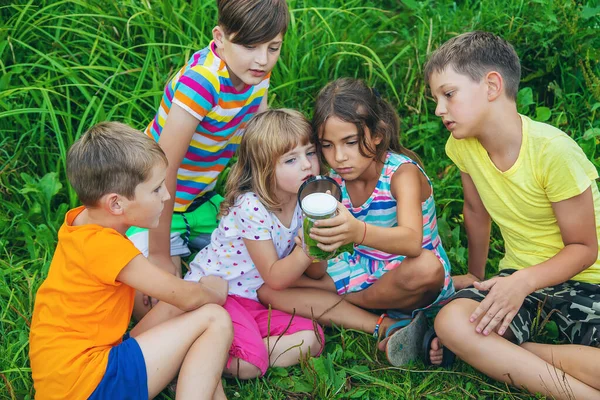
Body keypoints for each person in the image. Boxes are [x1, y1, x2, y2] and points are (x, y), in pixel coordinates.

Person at [425, 31, 600, 398]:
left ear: (491, 86)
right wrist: (476, 274)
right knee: (452, 321)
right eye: (436, 99)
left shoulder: (553, 152)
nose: (440, 109)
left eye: (449, 94)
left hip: (588, 282)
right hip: (517, 279)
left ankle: (515, 355)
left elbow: (584, 247)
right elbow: (475, 210)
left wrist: (521, 283)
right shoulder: (463, 147)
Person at [258, 78, 455, 366]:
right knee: (269, 291)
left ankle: (355, 306)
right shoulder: (330, 185)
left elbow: (412, 242)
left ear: (377, 134)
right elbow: (316, 273)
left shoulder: (401, 174)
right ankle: (385, 324)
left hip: (403, 273)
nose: (339, 157)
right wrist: (315, 249)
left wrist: (357, 231)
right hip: (357, 270)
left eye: (350, 142)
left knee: (427, 268)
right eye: (327, 145)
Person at [29, 122, 233, 400]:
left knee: (175, 313)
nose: (167, 196)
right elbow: (186, 297)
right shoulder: (109, 248)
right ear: (116, 204)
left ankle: (198, 382)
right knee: (214, 318)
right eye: (156, 189)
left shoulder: (82, 221)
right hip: (90, 384)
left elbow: (171, 299)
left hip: (70, 375)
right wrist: (213, 290)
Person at [131, 109, 325, 380]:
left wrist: (323, 238)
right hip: (220, 295)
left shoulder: (306, 200)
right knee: (249, 366)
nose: (307, 165)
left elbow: (316, 272)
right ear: (265, 168)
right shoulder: (252, 206)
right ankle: (194, 355)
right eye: (291, 159)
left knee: (312, 337)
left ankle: (214, 349)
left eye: (311, 153)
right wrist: (306, 248)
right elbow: (274, 277)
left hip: (254, 299)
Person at [128, 0, 290, 319]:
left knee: (266, 264)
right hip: (154, 203)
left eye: (274, 47)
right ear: (220, 37)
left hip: (203, 203)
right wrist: (160, 255)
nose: (262, 59)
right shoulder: (202, 84)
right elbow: (164, 169)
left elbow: (256, 151)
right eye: (249, 46)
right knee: (151, 305)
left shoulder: (257, 73)